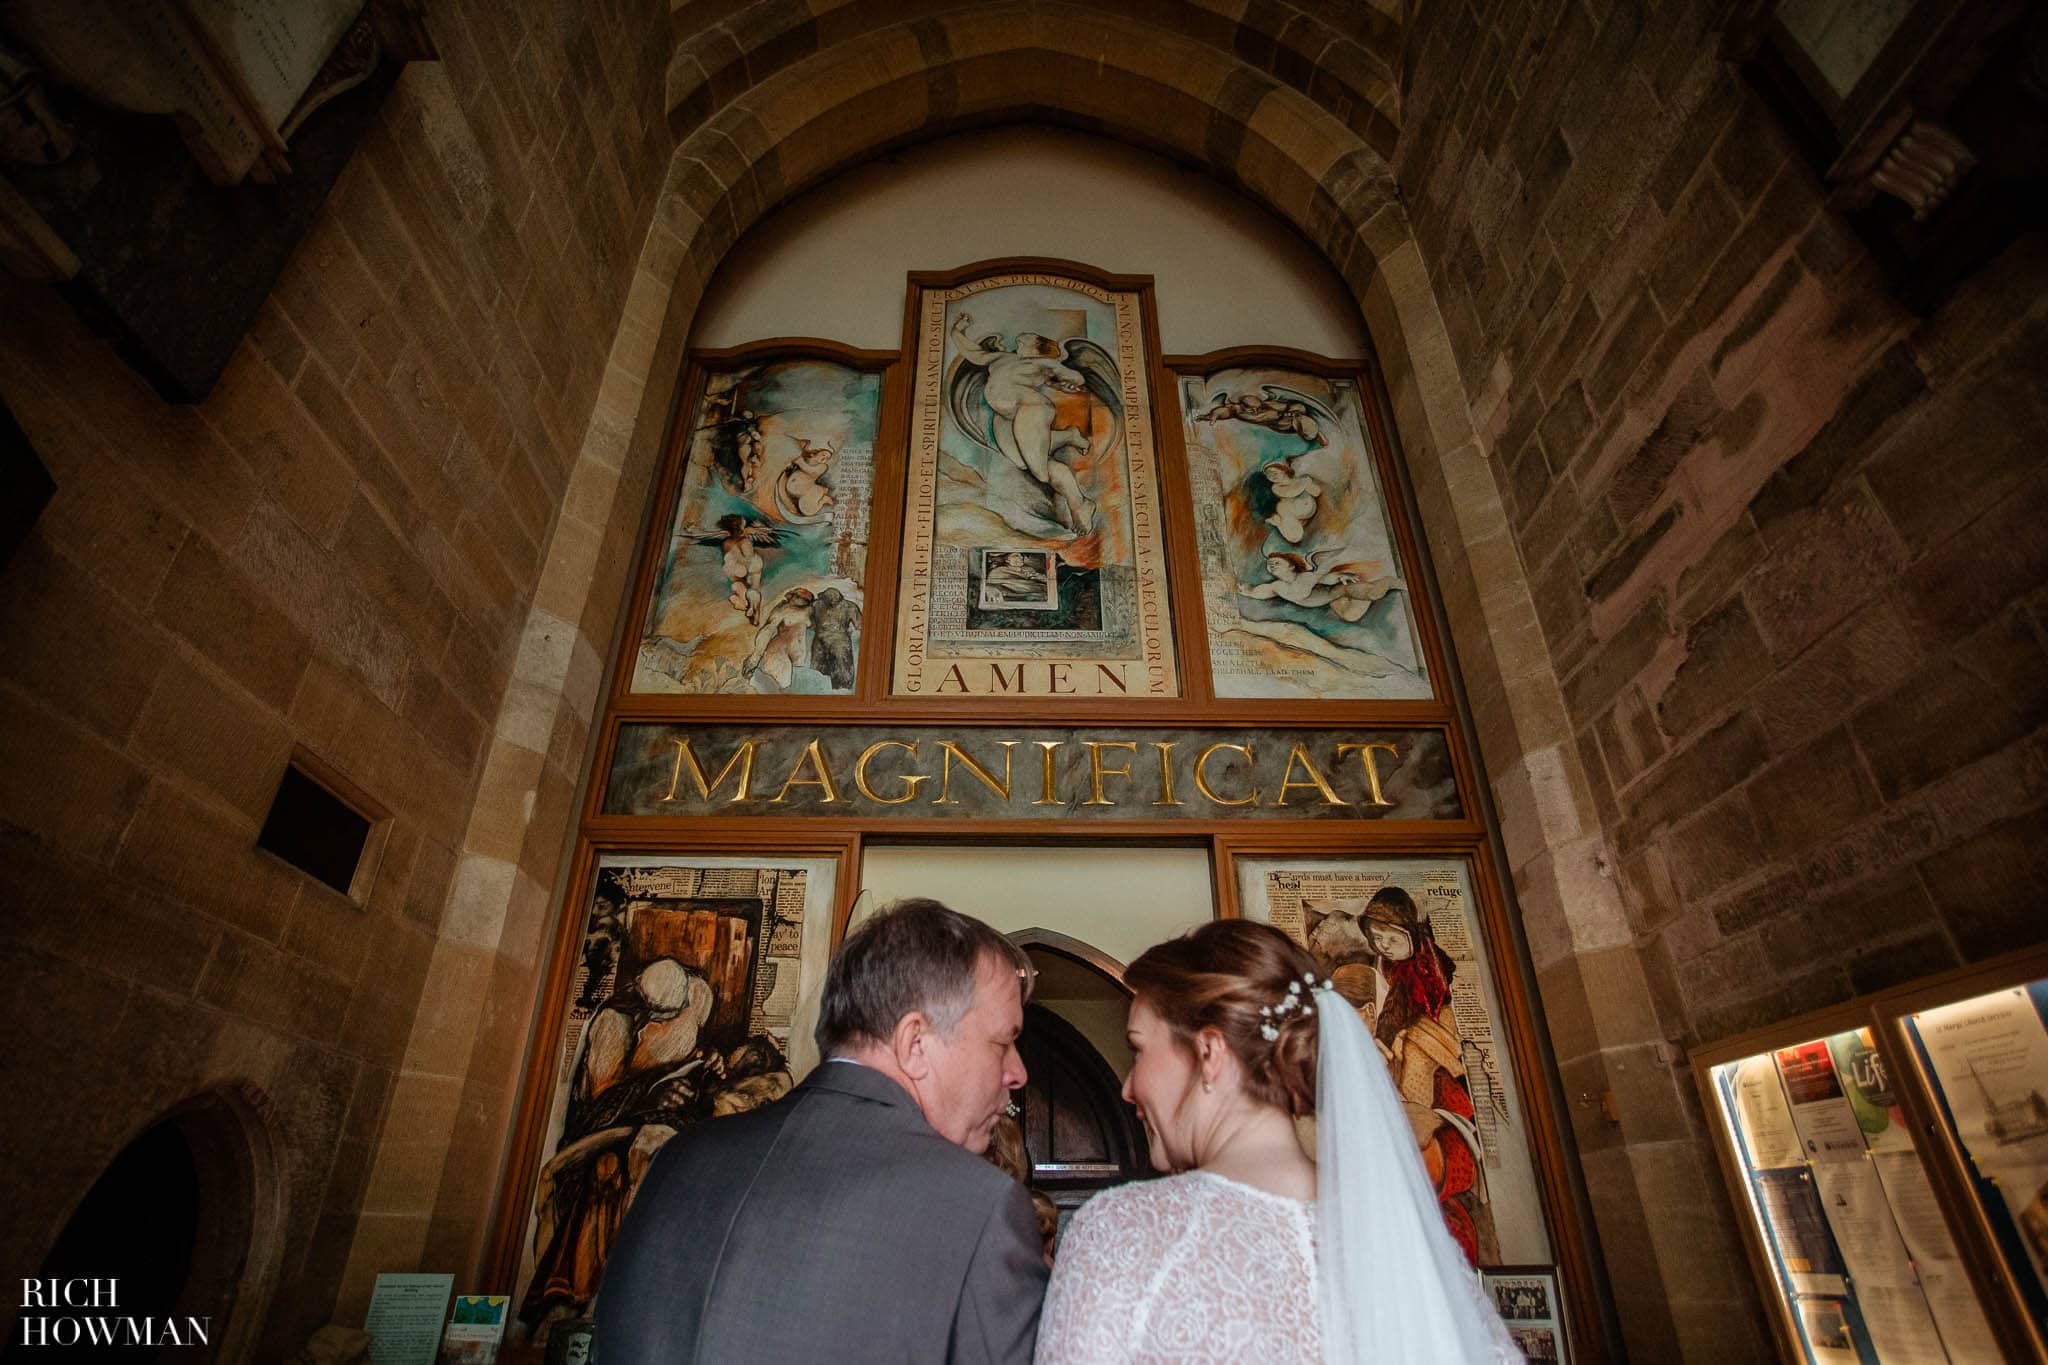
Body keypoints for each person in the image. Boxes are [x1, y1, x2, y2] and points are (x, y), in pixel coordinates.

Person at [1034, 920, 1517, 1364]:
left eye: (1137, 1049)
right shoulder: (1406, 1241)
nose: (1127, 1087)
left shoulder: (1122, 1233)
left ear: (1210, 1052)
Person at [597, 898, 1049, 1363]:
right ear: (915, 1043)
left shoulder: (680, 1158)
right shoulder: (977, 1207)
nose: (1017, 1073)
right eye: (1004, 1042)